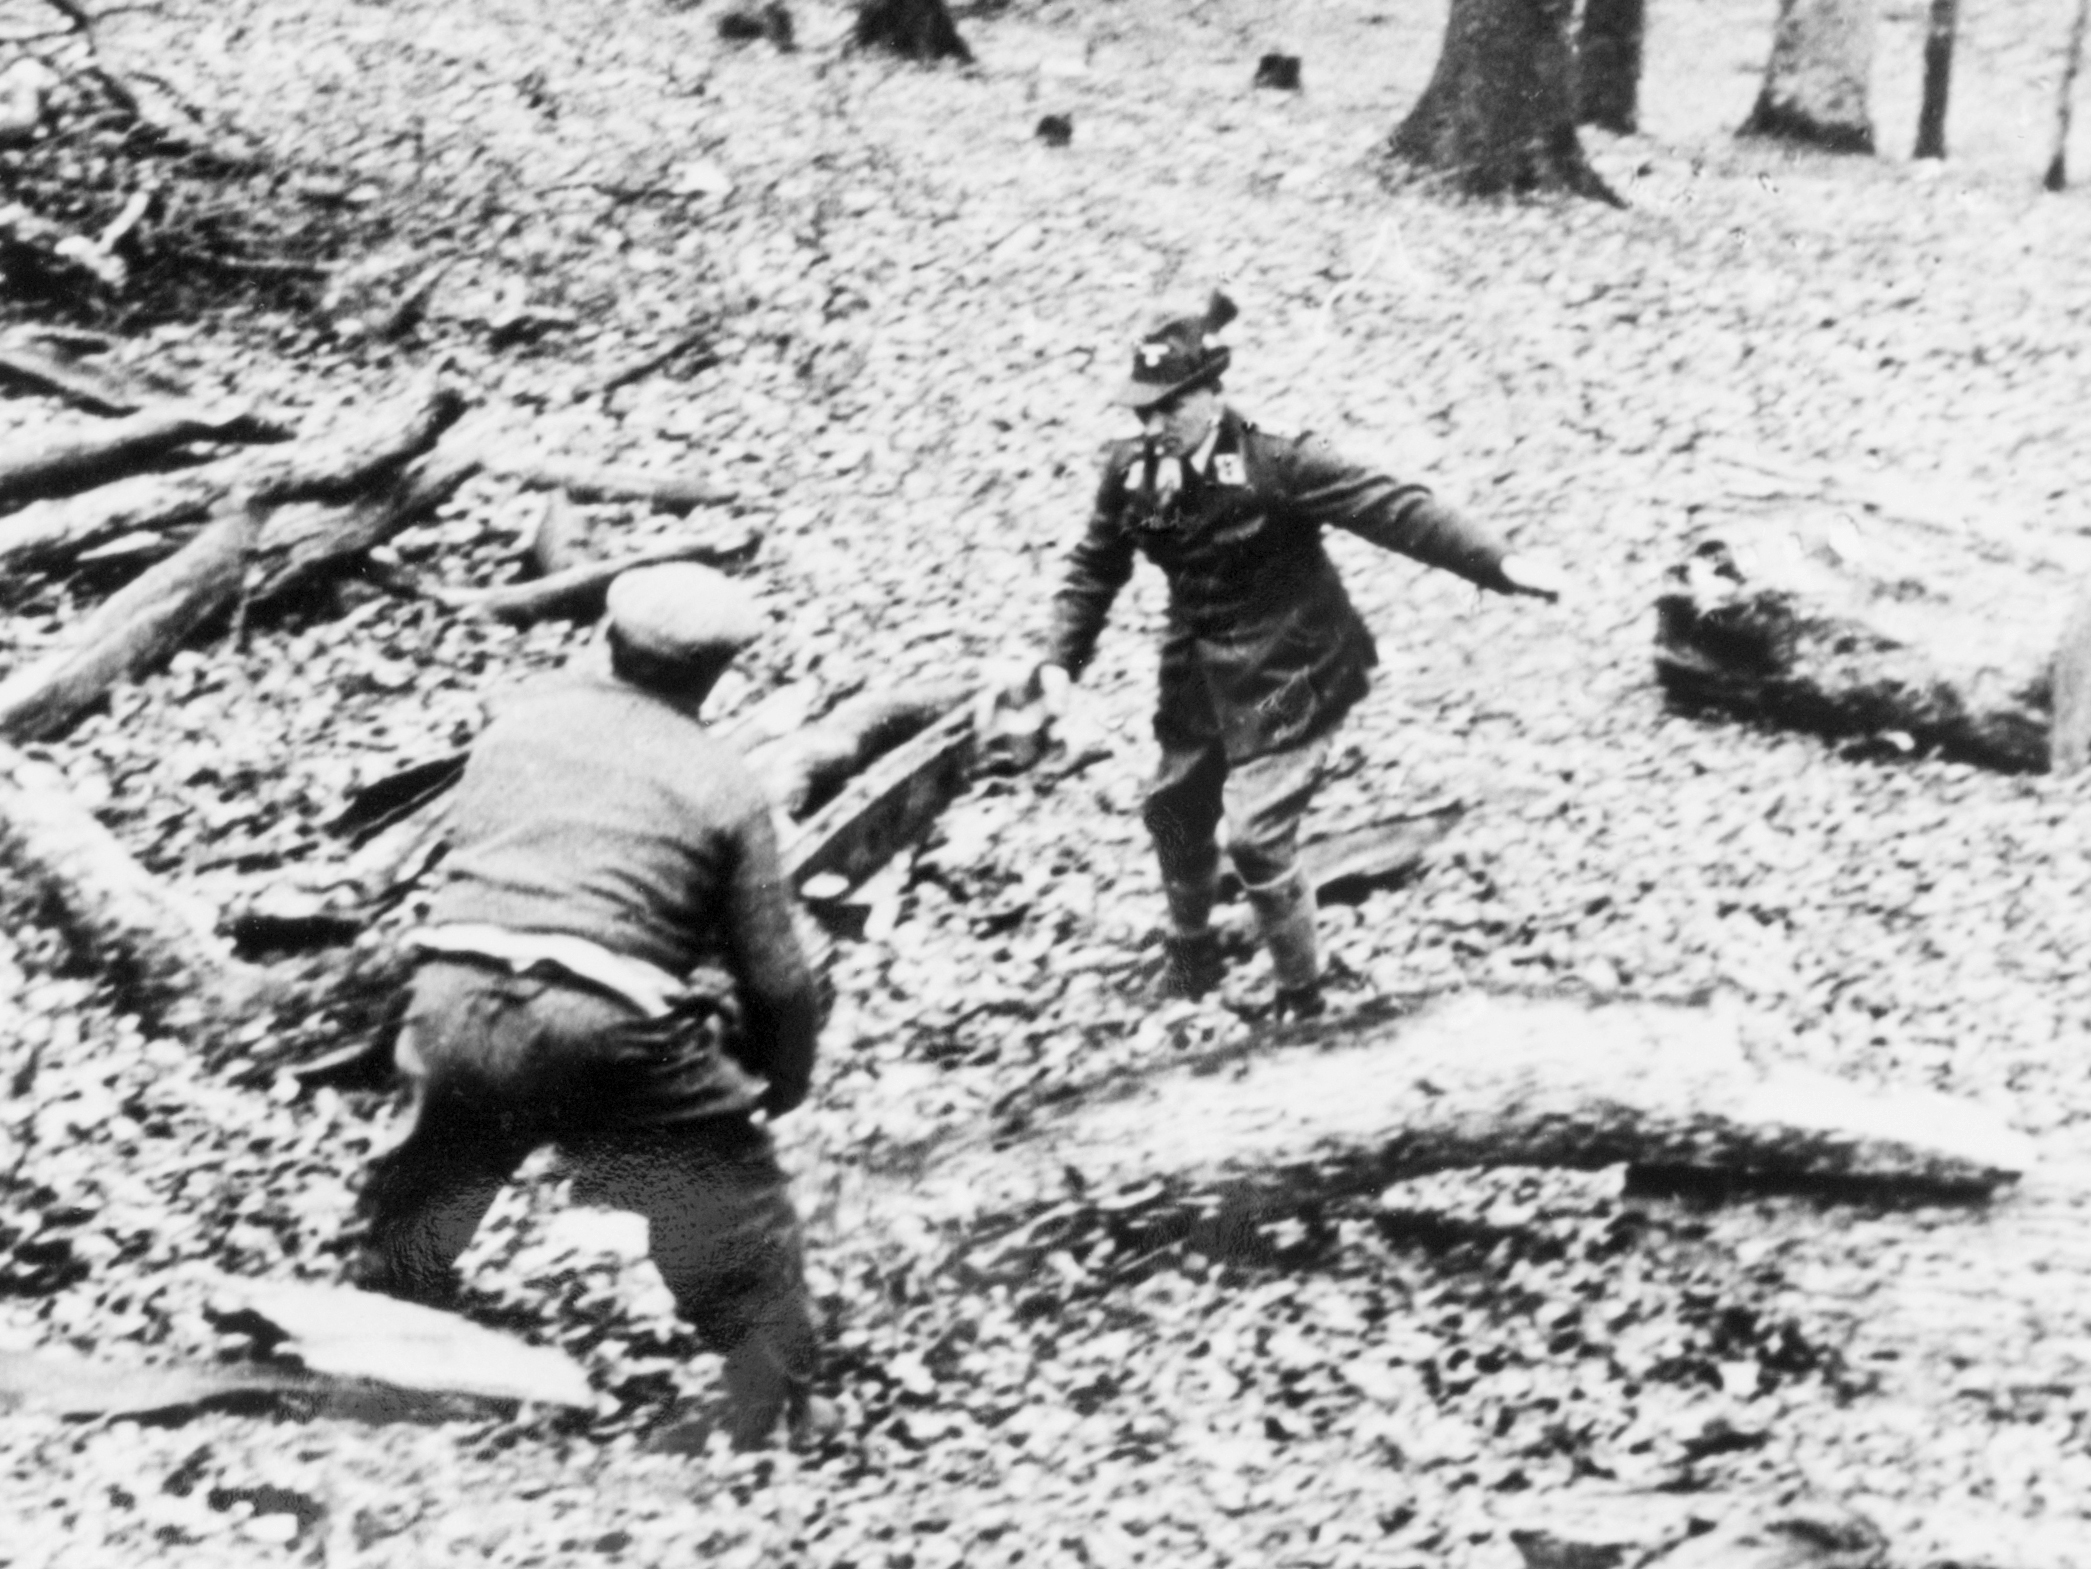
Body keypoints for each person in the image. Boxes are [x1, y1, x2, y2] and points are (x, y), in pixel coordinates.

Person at [345, 563, 829, 1450]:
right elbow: (778, 978)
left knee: (439, 1171)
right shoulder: (724, 784)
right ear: (718, 674)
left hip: (450, 996)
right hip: (605, 1028)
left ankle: (383, 1335)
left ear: (605, 638)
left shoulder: (517, 725)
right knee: (733, 1207)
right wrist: (778, 1080)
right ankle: (773, 1407)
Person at [1016, 292, 1562, 1018]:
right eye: (1142, 412)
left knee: (1256, 833)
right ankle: (1189, 952)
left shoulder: (1277, 462)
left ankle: (1302, 997)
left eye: (1170, 407)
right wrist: (1060, 657)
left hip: (1291, 671)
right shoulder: (1131, 471)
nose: (1154, 426)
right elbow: (1094, 568)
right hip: (1198, 671)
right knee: (1172, 808)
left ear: (1213, 391)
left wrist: (1499, 562)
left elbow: (1392, 506)